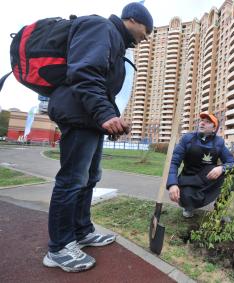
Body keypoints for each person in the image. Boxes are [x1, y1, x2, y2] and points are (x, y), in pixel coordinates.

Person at [43, 2, 153, 272]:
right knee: (72, 180)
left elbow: (104, 89)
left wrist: (111, 121)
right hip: (78, 115)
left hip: (90, 119)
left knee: (90, 178)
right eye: (146, 30)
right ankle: (58, 248)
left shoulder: (115, 41)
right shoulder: (101, 27)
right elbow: (84, 73)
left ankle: (82, 231)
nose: (146, 37)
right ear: (133, 20)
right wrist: (105, 115)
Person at [167, 112, 234, 218]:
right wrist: (172, 184)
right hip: (189, 178)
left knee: (228, 177)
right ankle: (188, 207)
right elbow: (173, 162)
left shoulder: (219, 142)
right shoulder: (187, 139)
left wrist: (222, 168)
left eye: (208, 122)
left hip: (207, 178)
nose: (202, 123)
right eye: (202, 121)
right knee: (185, 197)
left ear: (214, 129)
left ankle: (220, 210)